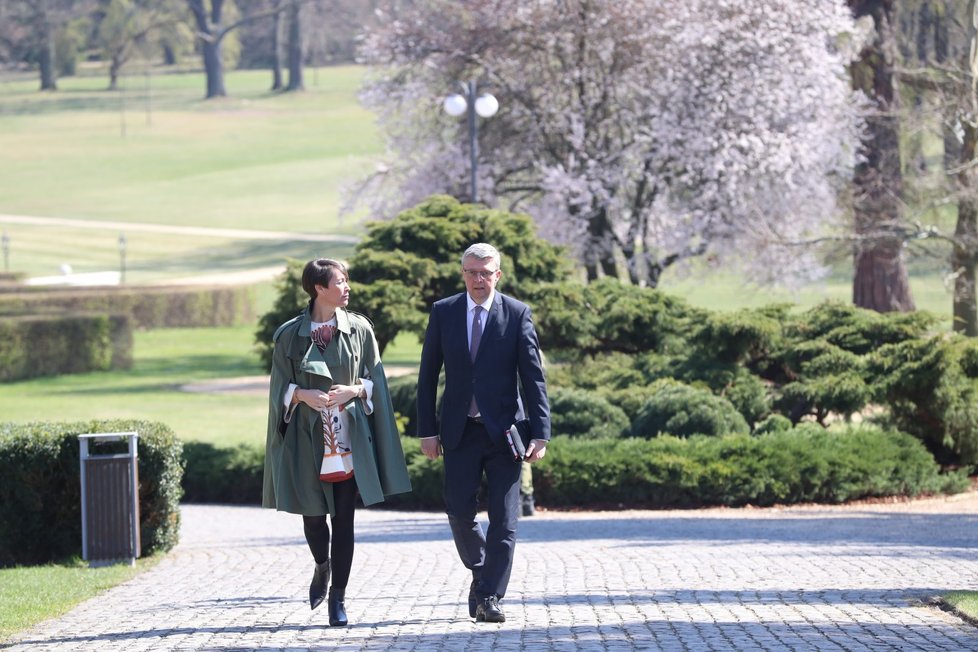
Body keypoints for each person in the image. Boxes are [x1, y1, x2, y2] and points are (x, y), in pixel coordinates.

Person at [263, 258, 411, 626]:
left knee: (344, 519)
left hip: (348, 440)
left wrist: (356, 390)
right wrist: (300, 395)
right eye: (340, 282)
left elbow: (376, 379)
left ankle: (338, 599)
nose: (347, 288)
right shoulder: (288, 336)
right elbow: (279, 387)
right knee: (313, 518)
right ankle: (321, 565)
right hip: (305, 440)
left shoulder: (361, 330)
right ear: (319, 288)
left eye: (346, 281)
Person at [417, 242, 551, 623]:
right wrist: (427, 430)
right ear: (463, 274)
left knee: (505, 521)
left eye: (485, 272)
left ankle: (491, 596)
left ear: (498, 275)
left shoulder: (517, 314)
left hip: (506, 433)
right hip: (459, 431)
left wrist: (540, 432)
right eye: (472, 272)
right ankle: (481, 572)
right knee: (459, 511)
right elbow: (428, 376)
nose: (478, 279)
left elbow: (533, 378)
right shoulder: (444, 312)